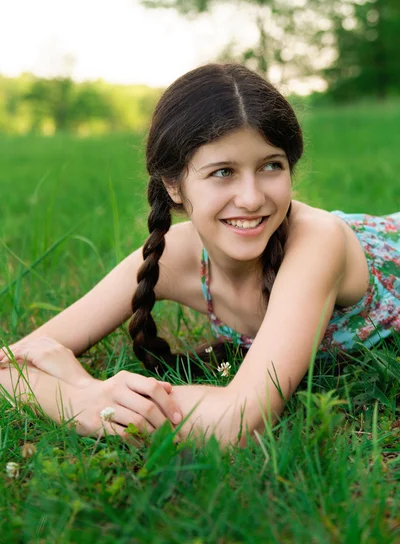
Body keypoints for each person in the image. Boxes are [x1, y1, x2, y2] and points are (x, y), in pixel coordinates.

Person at [1, 63, 399, 448]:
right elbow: (12, 365)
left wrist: (93, 399)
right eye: (223, 171)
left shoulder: (316, 241)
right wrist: (84, 401)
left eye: (271, 166)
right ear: (173, 184)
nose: (251, 198)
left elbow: (239, 421)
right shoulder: (172, 255)